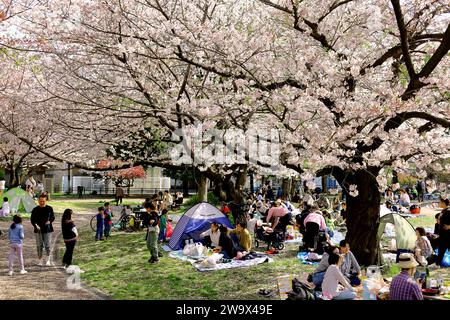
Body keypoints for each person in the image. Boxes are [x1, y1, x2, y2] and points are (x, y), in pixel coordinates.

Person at [30, 195, 55, 266]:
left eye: (43, 201)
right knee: (39, 246)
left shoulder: (49, 208)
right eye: (40, 201)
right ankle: (40, 260)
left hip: (48, 230)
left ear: (45, 201)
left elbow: (53, 217)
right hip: (38, 230)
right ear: (38, 201)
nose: (42, 202)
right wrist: (36, 225)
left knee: (48, 245)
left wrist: (49, 221)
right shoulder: (35, 209)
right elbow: (32, 220)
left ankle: (48, 260)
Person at [436, 197, 450, 266]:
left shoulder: (449, 211)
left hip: (448, 234)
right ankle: (437, 264)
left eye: (440, 202)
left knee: (442, 249)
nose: (439, 203)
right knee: (441, 249)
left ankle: (437, 264)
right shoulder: (443, 211)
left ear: (444, 203)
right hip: (442, 234)